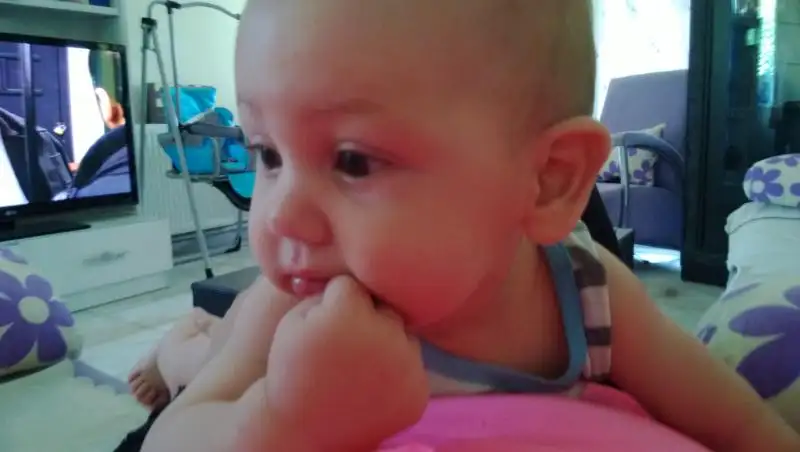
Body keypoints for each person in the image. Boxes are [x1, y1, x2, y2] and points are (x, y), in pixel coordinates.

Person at [128, 0, 800, 451]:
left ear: (549, 180)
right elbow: (173, 436)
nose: (280, 216)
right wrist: (277, 421)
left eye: (354, 160)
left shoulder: (588, 297)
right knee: (203, 359)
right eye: (268, 153)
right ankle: (176, 344)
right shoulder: (291, 306)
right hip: (233, 356)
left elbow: (738, 422)